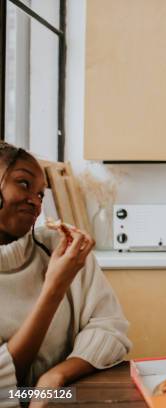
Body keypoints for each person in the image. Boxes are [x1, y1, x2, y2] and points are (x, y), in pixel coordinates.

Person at [0, 142, 131, 405]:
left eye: (40, 194)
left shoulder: (60, 247)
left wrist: (55, 377)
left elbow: (110, 327)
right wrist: (54, 288)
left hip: (60, 396)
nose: (35, 201)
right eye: (24, 184)